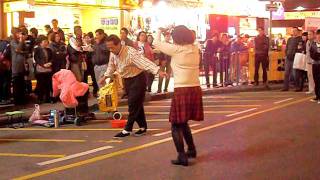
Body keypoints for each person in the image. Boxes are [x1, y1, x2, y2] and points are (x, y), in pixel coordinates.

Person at [98, 35, 166, 138]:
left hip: (138, 79)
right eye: (109, 48)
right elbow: (111, 66)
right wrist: (105, 77)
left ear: (119, 44)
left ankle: (127, 129)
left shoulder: (130, 52)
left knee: (133, 104)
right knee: (137, 104)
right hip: (127, 80)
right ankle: (143, 127)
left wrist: (157, 71)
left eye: (112, 47)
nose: (110, 50)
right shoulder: (113, 53)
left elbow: (144, 62)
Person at [154, 25, 204, 166]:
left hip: (182, 89)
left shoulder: (176, 50)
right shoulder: (195, 48)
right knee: (184, 122)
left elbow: (157, 43)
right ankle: (192, 150)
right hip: (195, 87)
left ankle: (182, 156)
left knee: (176, 124)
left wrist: (160, 30)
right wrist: (169, 35)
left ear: (177, 38)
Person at [10, 27, 28, 105]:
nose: (20, 34)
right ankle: (17, 100)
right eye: (18, 33)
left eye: (20, 33)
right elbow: (17, 49)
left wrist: (22, 42)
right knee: (16, 83)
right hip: (16, 65)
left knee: (22, 83)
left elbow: (26, 51)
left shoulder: (22, 41)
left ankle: (22, 99)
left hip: (22, 64)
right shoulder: (12, 42)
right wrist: (21, 41)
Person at [282, 27, 302, 91]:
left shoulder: (300, 39)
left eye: (295, 31)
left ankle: (297, 87)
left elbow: (300, 48)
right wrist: (286, 55)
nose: (294, 32)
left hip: (295, 58)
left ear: (298, 32)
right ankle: (285, 87)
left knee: (295, 74)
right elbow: (287, 47)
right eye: (293, 31)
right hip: (288, 58)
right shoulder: (289, 39)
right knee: (286, 73)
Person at [34, 35, 53, 103]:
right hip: (40, 70)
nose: (46, 43)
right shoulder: (37, 49)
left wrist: (50, 63)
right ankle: (40, 98)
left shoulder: (49, 50)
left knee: (48, 84)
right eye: (44, 41)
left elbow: (51, 58)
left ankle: (48, 98)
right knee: (41, 84)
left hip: (48, 69)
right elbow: (36, 59)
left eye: (46, 41)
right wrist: (43, 64)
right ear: (40, 42)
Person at [83, 32, 99, 96]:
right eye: (85, 38)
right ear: (83, 39)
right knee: (85, 79)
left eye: (88, 38)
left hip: (92, 64)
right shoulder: (82, 47)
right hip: (85, 64)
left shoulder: (93, 46)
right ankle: (87, 93)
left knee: (94, 78)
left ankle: (95, 91)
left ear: (90, 39)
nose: (87, 39)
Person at [309, 29, 320, 104]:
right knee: (316, 80)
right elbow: (311, 54)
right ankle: (317, 96)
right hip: (315, 64)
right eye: (317, 34)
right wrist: (316, 56)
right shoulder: (313, 44)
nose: (318, 36)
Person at [0, 39, 11, 105]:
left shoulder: (5, 44)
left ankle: (3, 98)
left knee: (3, 82)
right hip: (4, 66)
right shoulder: (6, 44)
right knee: (5, 82)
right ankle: (4, 98)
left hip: (3, 66)